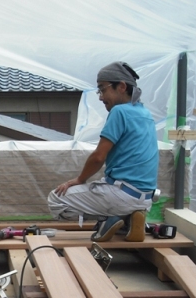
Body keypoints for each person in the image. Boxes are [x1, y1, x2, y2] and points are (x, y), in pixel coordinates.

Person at [48, 61, 159, 242]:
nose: (100, 97)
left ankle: (111, 218)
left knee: (56, 199)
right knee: (107, 185)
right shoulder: (145, 113)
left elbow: (98, 157)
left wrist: (79, 180)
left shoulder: (119, 112)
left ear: (121, 87)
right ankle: (129, 220)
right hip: (146, 198)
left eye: (102, 89)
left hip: (122, 195)